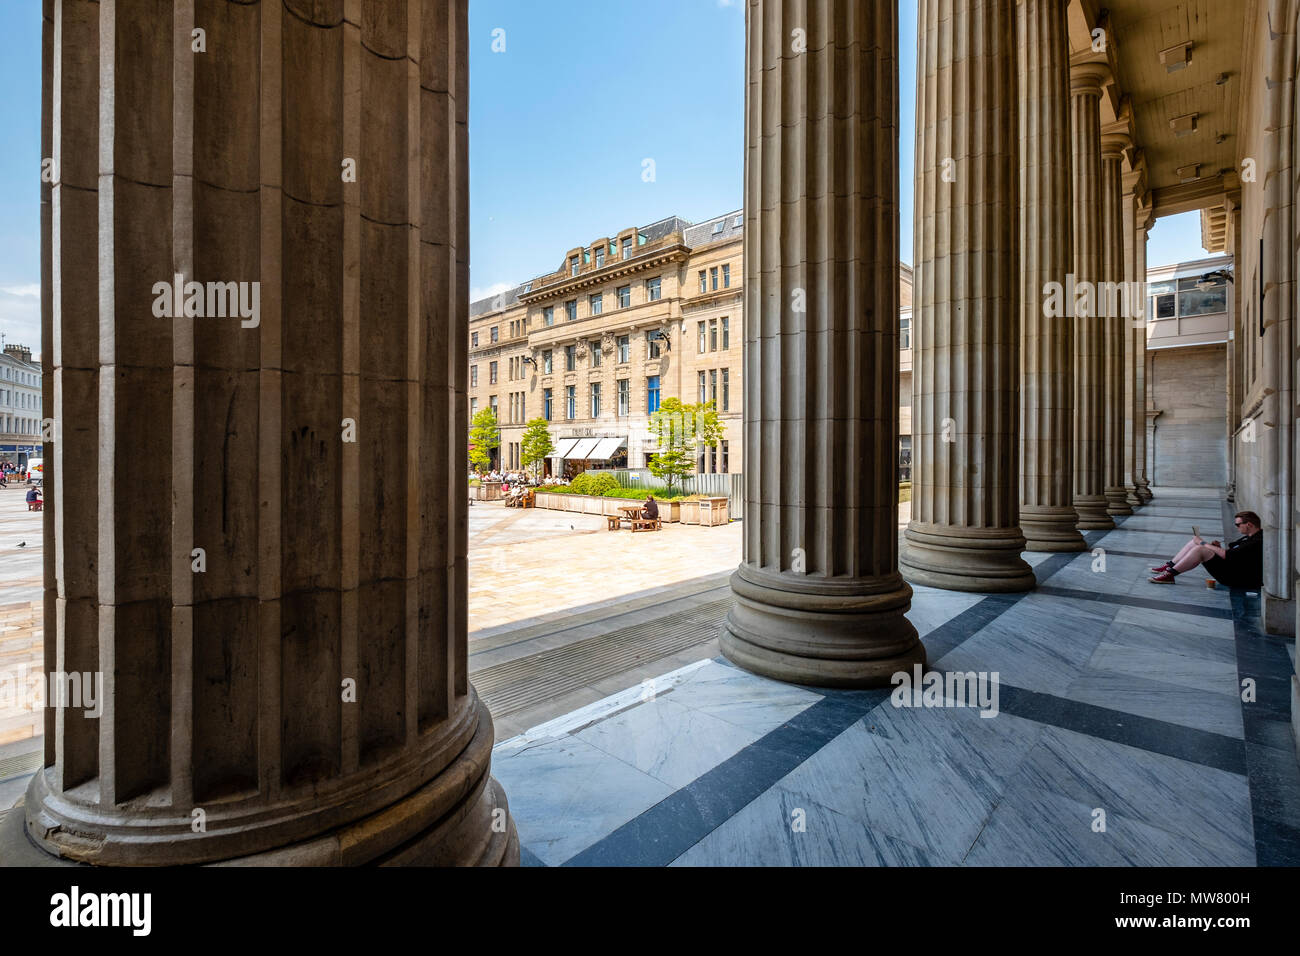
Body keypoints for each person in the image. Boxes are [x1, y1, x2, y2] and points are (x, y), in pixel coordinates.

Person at [1149, 510, 1262, 588]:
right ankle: (1170, 565)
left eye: (1238, 525)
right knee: (1195, 542)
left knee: (1200, 549)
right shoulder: (1252, 537)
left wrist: (1203, 543)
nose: (1236, 527)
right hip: (1233, 568)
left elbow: (1228, 555)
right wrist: (1216, 548)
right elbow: (1235, 554)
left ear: (1249, 525)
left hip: (1237, 577)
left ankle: (1170, 574)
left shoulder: (1256, 541)